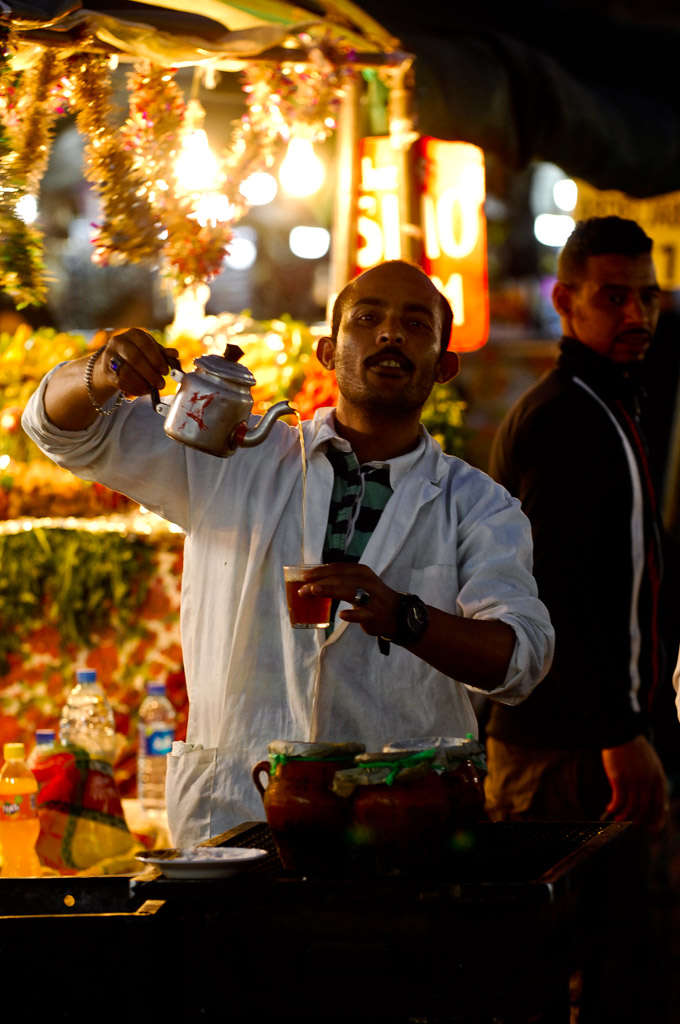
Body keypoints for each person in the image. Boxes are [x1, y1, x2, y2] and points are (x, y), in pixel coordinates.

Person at [22, 259, 554, 847]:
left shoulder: (478, 504)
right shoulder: (234, 454)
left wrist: (407, 618)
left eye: (416, 324)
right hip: (234, 811)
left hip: (396, 827)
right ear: (328, 351)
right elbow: (60, 429)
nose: (389, 334)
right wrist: (102, 370)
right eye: (368, 318)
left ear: (444, 366)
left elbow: (520, 662)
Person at [484, 216, 669, 1023]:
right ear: (565, 301)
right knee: (566, 971)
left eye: (648, 298)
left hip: (597, 737)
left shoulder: (608, 401)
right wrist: (618, 732)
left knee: (617, 957)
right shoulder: (565, 417)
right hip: (563, 749)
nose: (636, 316)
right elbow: (552, 594)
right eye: (613, 297)